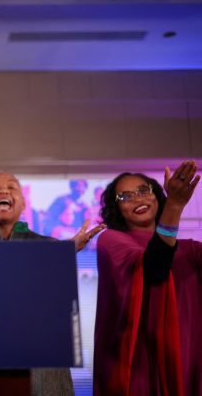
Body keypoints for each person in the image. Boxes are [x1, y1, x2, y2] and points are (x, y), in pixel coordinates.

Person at [0, 172, 105, 396]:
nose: (3, 191)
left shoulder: (50, 246)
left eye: (12, 187)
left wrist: (63, 253)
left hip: (41, 363)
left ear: (23, 202)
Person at [93, 161, 201, 396]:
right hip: (139, 374)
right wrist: (174, 205)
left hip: (187, 366)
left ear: (155, 196)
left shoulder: (191, 251)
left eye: (144, 191)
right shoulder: (111, 241)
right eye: (125, 197)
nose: (138, 199)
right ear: (116, 209)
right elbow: (155, 268)